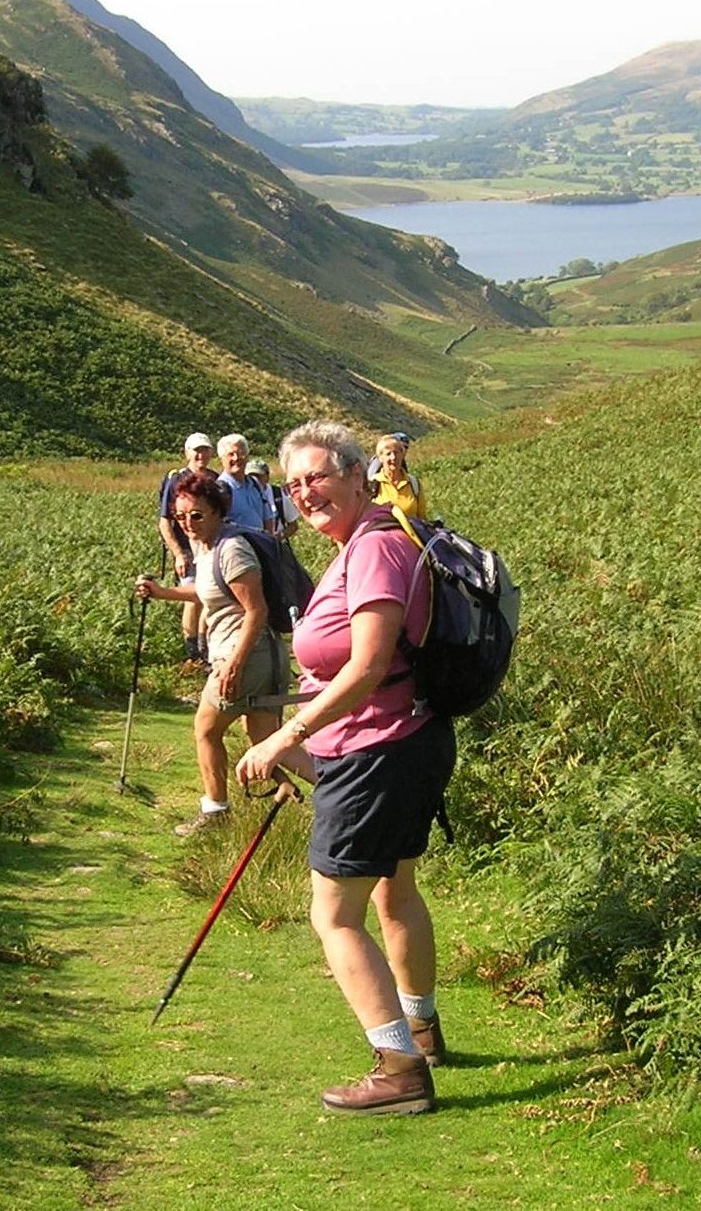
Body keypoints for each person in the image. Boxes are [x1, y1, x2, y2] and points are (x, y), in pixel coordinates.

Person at [235, 420, 453, 1115]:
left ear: (359, 475)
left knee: (334, 915)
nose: (305, 493)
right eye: (295, 483)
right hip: (402, 740)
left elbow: (365, 666)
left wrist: (283, 738)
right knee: (395, 893)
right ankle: (421, 1027)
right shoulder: (368, 540)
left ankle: (398, 1067)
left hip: (378, 750)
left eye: (318, 477)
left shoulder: (377, 549)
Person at [138, 470, 285, 836]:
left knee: (205, 729)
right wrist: (163, 593)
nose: (188, 524)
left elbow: (257, 610)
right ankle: (317, 793)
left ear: (218, 512)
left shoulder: (232, 548)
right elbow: (210, 592)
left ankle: (215, 812)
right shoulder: (208, 546)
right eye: (181, 517)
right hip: (259, 655)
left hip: (245, 655)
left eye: (197, 515)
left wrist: (233, 664)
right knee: (266, 742)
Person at [158, 432, 213, 665]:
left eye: (205, 450)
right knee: (192, 597)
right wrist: (179, 554)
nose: (201, 455)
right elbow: (165, 521)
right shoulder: (177, 481)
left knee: (208, 597)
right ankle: (191, 652)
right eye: (196, 450)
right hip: (187, 548)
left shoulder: (213, 480)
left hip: (209, 546)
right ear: (187, 453)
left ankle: (204, 649)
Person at [216, 434, 272, 533]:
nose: (236, 458)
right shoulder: (219, 489)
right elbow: (220, 526)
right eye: (231, 454)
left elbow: (267, 517)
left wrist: (269, 542)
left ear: (247, 457)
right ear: (222, 459)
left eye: (241, 453)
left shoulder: (255, 484)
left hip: (261, 544)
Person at [369, 433, 427, 519]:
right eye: (388, 454)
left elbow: (422, 518)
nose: (393, 457)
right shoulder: (371, 484)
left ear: (402, 455)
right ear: (380, 458)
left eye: (396, 452)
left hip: (410, 532)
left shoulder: (414, 484)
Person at [247, 457, 299, 540]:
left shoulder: (278, 494)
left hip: (275, 547)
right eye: (250, 476)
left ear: (267, 477)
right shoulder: (242, 494)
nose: (254, 480)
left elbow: (293, 525)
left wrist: (280, 535)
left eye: (258, 476)